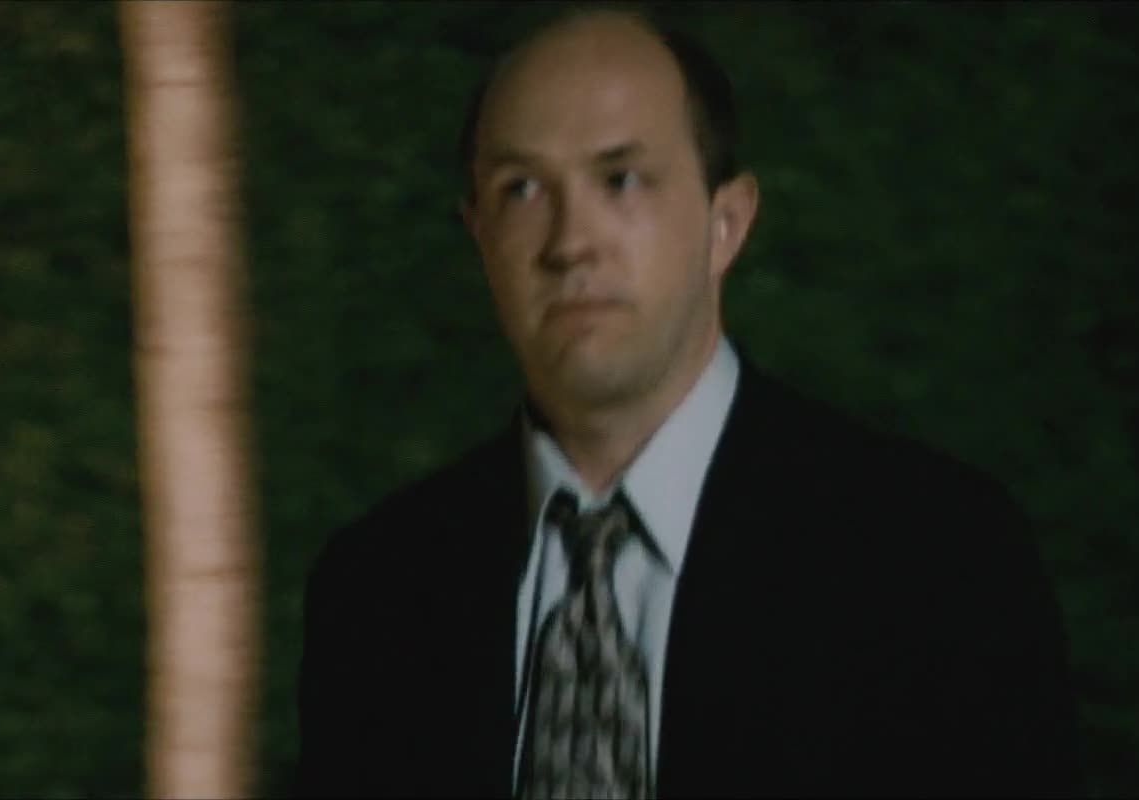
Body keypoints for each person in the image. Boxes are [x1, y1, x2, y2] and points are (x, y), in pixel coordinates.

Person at [290, 7, 1084, 799]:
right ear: (478, 236)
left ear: (725, 223)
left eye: (621, 180)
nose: (570, 242)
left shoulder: (938, 560)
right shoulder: (375, 592)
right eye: (521, 189)